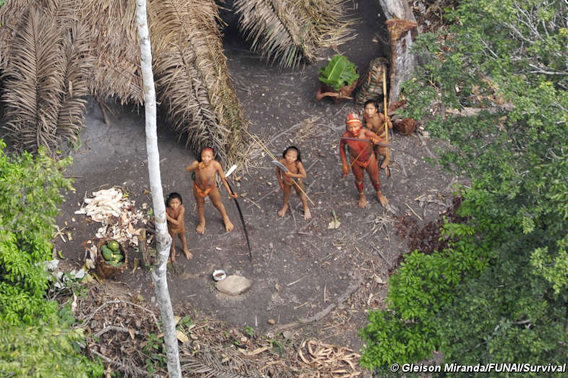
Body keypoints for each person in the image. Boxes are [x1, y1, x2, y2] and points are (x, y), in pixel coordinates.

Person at [340, 113, 389, 208]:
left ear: (360, 125)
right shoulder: (345, 136)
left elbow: (385, 144)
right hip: (356, 160)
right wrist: (344, 163)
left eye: (355, 127)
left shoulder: (367, 134)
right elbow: (341, 147)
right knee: (358, 179)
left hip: (369, 159)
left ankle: (378, 193)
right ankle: (362, 195)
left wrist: (377, 141)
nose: (353, 130)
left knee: (375, 178)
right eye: (350, 128)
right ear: (347, 128)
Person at [185, 147, 237, 234]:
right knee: (200, 205)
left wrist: (230, 192)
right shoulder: (197, 164)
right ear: (201, 157)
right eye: (204, 156)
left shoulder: (216, 165)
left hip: (211, 188)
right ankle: (202, 221)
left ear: (212, 157)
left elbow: (223, 179)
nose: (206, 159)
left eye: (208, 157)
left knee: (218, 203)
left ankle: (225, 217)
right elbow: (188, 169)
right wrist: (196, 166)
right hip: (198, 188)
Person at [275, 146, 312, 220]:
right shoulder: (282, 161)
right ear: (285, 155)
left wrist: (291, 175)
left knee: (301, 193)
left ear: (296, 158)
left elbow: (304, 175)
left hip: (296, 181)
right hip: (286, 182)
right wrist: (280, 182)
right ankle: (285, 206)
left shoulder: (297, 164)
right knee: (286, 194)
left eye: (293, 157)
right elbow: (277, 172)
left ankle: (306, 207)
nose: (290, 158)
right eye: (288, 156)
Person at [363, 99, 392, 169]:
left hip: (382, 136)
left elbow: (391, 126)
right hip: (373, 135)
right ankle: (377, 158)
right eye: (367, 109)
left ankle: (387, 158)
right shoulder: (365, 116)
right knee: (374, 148)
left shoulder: (380, 117)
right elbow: (363, 123)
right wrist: (366, 125)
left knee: (381, 150)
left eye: (371, 109)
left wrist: (387, 121)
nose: (369, 111)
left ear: (376, 110)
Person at [165, 192, 192, 263]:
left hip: (180, 227)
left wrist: (168, 217)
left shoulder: (181, 209)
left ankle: (185, 249)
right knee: (172, 240)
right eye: (172, 203)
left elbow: (178, 222)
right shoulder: (167, 209)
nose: (174, 205)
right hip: (171, 228)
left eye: (177, 203)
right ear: (169, 203)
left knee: (182, 237)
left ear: (180, 202)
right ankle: (173, 251)